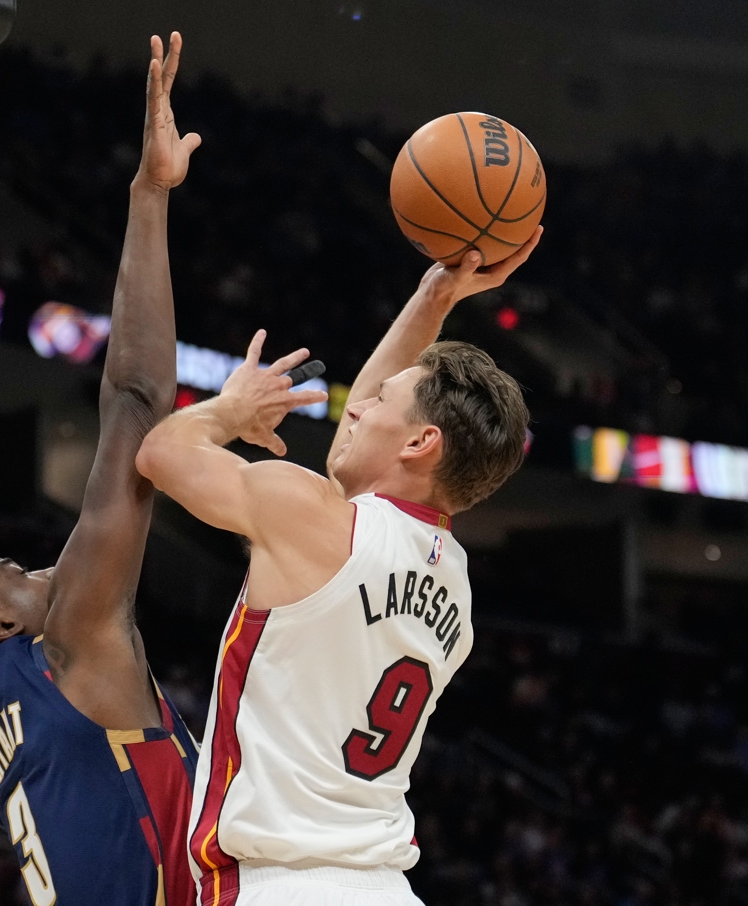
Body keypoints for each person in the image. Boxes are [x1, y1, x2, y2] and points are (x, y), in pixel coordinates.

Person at [136, 229, 542, 906]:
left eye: (379, 401)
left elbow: (159, 453)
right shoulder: (454, 584)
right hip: (385, 887)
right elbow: (357, 489)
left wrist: (229, 410)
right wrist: (432, 299)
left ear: (420, 441)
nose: (356, 405)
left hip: (278, 886)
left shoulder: (313, 515)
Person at [0, 32, 203, 906]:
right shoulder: (65, 647)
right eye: (22, 576)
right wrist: (149, 195)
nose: (48, 569)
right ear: (1, 627)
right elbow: (138, 397)